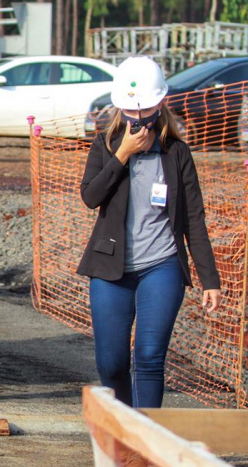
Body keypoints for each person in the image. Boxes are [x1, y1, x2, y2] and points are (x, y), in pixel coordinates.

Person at [77, 56, 221, 410]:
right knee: (111, 365)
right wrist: (123, 154)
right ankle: (126, 427)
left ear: (161, 103)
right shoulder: (105, 144)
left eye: (144, 111)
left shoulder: (177, 153)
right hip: (111, 270)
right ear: (118, 108)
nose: (137, 119)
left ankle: (146, 446)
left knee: (149, 357)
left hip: (162, 266)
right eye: (129, 112)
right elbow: (90, 197)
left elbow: (195, 220)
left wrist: (210, 279)